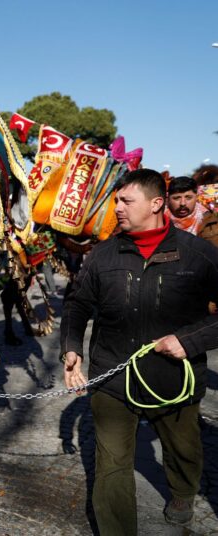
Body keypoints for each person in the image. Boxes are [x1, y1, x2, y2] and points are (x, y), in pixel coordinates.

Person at [60, 169, 218, 533]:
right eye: (116, 200)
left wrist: (189, 341)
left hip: (176, 377)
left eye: (126, 201)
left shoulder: (199, 254)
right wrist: (71, 349)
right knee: (111, 465)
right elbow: (77, 304)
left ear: (156, 204)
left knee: (184, 450)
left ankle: (182, 493)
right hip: (113, 377)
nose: (116, 208)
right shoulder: (101, 255)